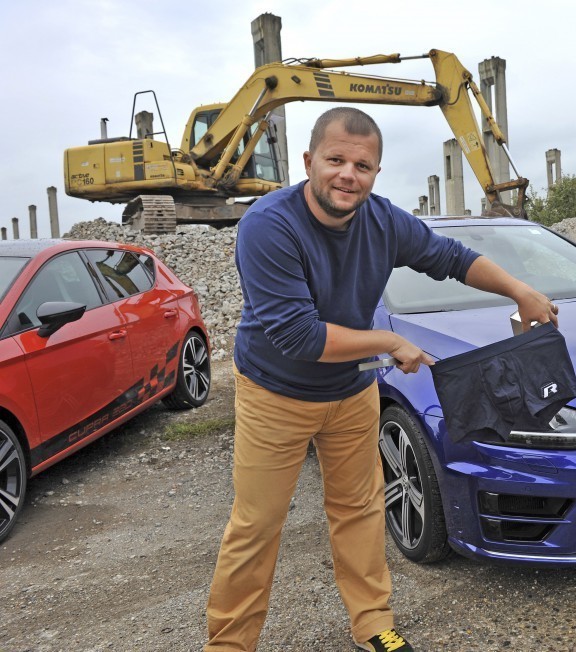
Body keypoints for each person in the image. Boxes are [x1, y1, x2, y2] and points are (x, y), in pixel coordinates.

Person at [204, 106, 557, 652]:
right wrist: (389, 342)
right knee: (257, 524)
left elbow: (451, 257)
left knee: (360, 510)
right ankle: (229, 644)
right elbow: (299, 337)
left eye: (362, 166)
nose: (348, 175)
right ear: (309, 161)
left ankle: (372, 624)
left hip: (351, 392)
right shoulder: (267, 226)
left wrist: (520, 290)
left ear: (375, 173)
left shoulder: (382, 220)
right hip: (276, 394)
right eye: (336, 160)